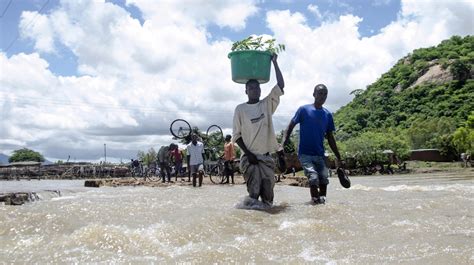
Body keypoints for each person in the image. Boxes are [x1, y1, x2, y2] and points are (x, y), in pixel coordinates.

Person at [233, 53, 284, 207]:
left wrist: (275, 63)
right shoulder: (240, 109)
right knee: (254, 194)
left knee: (268, 196)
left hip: (266, 158)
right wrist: (248, 154)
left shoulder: (266, 105)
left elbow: (280, 85)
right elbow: (236, 136)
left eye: (257, 88)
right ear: (246, 91)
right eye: (251, 88)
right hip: (249, 159)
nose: (255, 90)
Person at [283, 84, 342, 205]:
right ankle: (315, 203)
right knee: (313, 177)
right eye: (320, 93)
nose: (323, 96)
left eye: (325, 94)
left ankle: (322, 204)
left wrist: (338, 155)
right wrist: (282, 143)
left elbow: (330, 137)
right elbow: (290, 126)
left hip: (320, 154)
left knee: (324, 179)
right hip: (305, 153)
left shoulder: (327, 115)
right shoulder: (303, 110)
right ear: (314, 94)